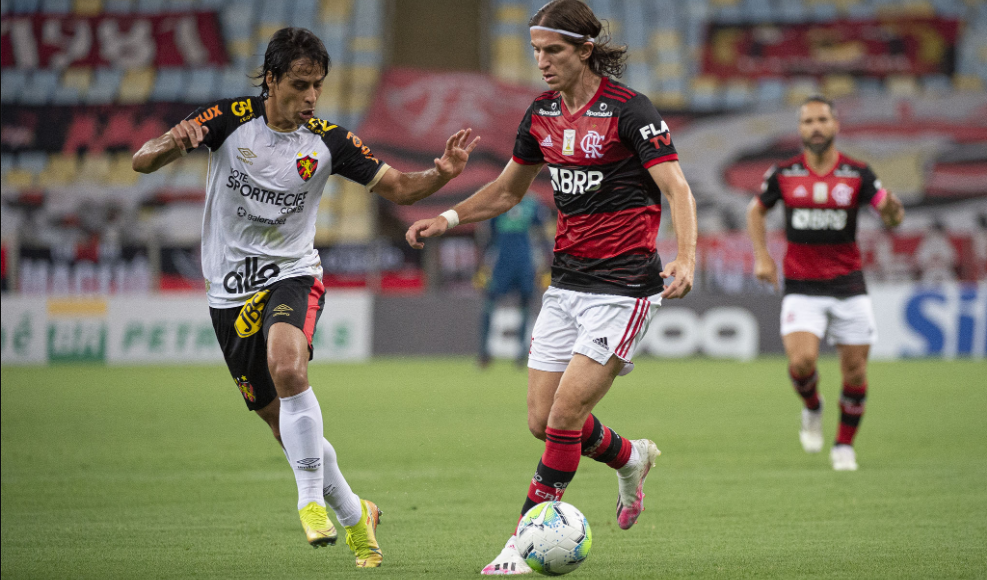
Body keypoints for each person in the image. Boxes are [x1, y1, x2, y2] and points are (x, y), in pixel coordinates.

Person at [132, 28, 478, 568]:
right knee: (281, 424)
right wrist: (170, 142)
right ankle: (356, 513)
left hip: (293, 274)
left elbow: (403, 189)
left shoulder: (328, 142)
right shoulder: (228, 120)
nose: (312, 96)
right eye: (300, 85)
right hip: (228, 293)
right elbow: (141, 162)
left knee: (289, 368)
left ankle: (309, 501)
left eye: (318, 85)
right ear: (271, 80)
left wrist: (441, 173)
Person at [405, 1, 697, 574]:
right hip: (565, 288)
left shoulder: (629, 111)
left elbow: (678, 188)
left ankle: (518, 545)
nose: (541, 61)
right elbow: (508, 191)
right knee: (543, 421)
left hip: (624, 289)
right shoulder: (540, 114)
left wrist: (685, 258)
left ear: (584, 50)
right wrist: (447, 219)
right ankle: (630, 456)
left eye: (553, 50)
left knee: (563, 419)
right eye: (536, 50)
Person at [746, 95, 905, 472]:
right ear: (800, 129)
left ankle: (844, 446)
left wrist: (892, 211)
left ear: (835, 125)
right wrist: (763, 257)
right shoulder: (784, 173)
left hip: (849, 286)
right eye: (807, 121)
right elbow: (756, 210)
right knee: (801, 363)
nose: (815, 127)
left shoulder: (858, 173)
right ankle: (812, 407)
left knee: (855, 372)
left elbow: (891, 214)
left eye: (821, 120)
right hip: (803, 286)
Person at [476, 195, 551, 368]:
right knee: (490, 301)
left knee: (525, 303)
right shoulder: (497, 203)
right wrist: (481, 265)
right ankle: (484, 352)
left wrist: (546, 263)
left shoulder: (533, 205)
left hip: (525, 263)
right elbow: (488, 237)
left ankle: (521, 353)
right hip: (501, 262)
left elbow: (543, 236)